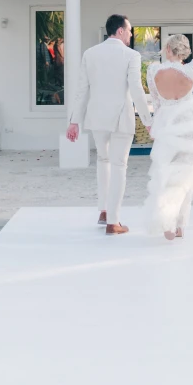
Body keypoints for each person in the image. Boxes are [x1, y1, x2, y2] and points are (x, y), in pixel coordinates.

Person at [66, 14, 152, 235]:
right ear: (120, 31)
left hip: (96, 117)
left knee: (103, 161)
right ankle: (114, 221)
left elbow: (81, 90)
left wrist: (74, 121)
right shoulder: (131, 55)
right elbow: (136, 89)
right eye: (130, 30)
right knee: (119, 166)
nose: (131, 34)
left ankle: (103, 211)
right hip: (121, 117)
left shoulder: (90, 54)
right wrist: (148, 120)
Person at [145, 11, 193, 240]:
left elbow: (156, 104)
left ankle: (166, 224)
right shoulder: (191, 69)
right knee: (187, 177)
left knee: (166, 175)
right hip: (192, 126)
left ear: (168, 49)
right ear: (183, 52)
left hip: (168, 125)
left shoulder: (153, 71)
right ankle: (179, 226)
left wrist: (152, 126)